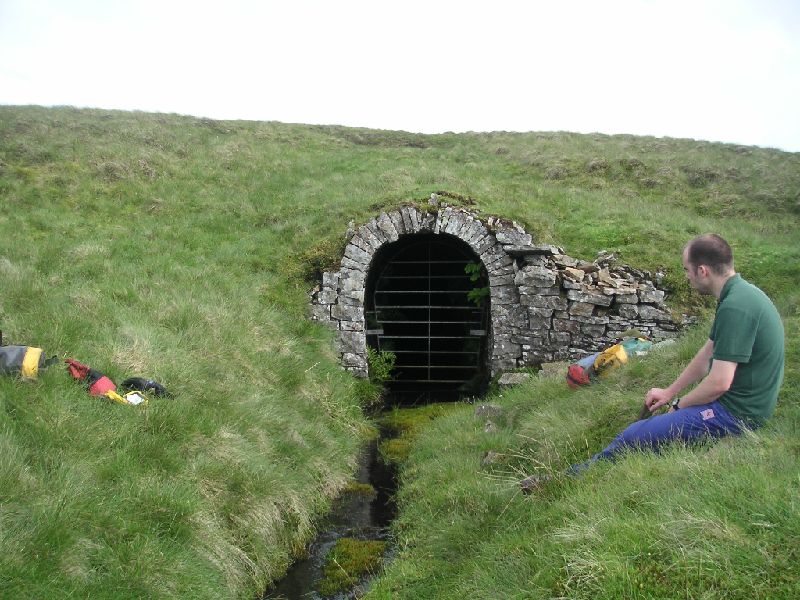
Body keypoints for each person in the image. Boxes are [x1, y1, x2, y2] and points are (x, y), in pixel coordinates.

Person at [522, 234, 784, 489]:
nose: (686, 276)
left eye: (687, 270)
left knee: (634, 437)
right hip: (741, 404)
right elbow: (706, 355)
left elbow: (719, 382)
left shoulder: (736, 307)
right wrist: (670, 392)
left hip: (737, 414)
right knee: (644, 430)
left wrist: (680, 405)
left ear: (703, 270)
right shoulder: (739, 295)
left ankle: (564, 483)